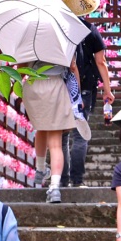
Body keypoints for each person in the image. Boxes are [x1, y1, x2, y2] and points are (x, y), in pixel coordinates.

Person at [58, 0, 115, 187]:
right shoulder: (90, 30)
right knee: (80, 135)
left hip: (60, 86)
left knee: (63, 137)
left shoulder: (59, 30)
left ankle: (62, 180)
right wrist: (108, 90)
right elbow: (101, 62)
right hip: (84, 88)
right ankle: (77, 180)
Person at [20, 56, 77, 203]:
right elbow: (73, 67)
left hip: (33, 85)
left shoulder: (29, 37)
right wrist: (77, 97)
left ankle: (40, 169)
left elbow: (21, 67)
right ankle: (54, 187)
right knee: (56, 143)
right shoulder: (63, 38)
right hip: (55, 86)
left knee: (41, 127)